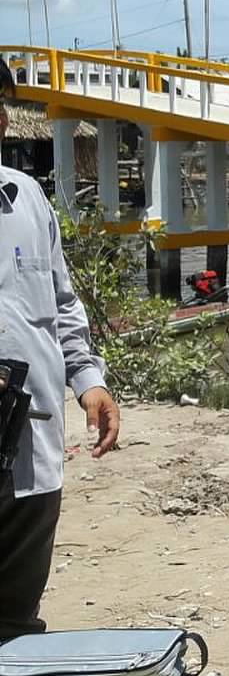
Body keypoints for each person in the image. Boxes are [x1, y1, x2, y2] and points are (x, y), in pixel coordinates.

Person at [0, 59, 119, 642]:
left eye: (0, 106)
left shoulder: (26, 197)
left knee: (18, 617)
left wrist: (88, 381)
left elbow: (63, 303)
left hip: (32, 438)